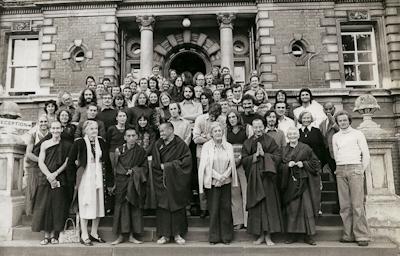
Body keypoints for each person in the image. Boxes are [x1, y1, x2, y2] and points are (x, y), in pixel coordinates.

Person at [67, 120, 113, 246]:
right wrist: (73, 181)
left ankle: (94, 232)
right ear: (85, 130)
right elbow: (70, 162)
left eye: (96, 128)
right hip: (85, 177)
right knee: (86, 204)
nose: (94, 131)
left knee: (98, 205)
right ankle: (84, 234)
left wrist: (110, 181)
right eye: (91, 129)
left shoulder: (102, 142)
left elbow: (107, 162)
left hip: (99, 176)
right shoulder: (79, 143)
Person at [241, 119, 283, 246]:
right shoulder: (247, 142)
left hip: (267, 178)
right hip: (254, 178)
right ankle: (260, 236)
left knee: (268, 206)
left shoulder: (270, 140)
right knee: (257, 206)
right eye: (255, 127)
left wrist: (265, 155)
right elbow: (243, 160)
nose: (258, 129)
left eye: (260, 127)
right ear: (252, 128)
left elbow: (278, 157)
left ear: (263, 127)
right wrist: (254, 156)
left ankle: (269, 236)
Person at [332, 110, 370, 246]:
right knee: (345, 205)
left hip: (356, 169)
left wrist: (360, 170)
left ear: (349, 120)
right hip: (341, 170)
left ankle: (361, 235)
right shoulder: (335, 137)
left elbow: (366, 154)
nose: (342, 122)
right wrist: (340, 167)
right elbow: (336, 155)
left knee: (357, 204)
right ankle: (348, 234)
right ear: (337, 123)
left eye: (344, 120)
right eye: (340, 120)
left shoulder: (358, 134)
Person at [32, 121, 72, 245]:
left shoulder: (67, 145)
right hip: (46, 179)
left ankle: (55, 235)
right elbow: (41, 162)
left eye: (58, 128)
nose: (55, 130)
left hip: (60, 177)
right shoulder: (44, 144)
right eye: (53, 128)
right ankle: (46, 235)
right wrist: (49, 175)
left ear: (61, 130)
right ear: (50, 130)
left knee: (58, 206)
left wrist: (55, 174)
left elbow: (67, 162)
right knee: (45, 206)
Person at [151, 122, 192, 245]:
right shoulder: (158, 144)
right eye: (160, 131)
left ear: (171, 130)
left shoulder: (181, 145)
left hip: (176, 180)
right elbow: (155, 164)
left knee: (177, 206)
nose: (161, 133)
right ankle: (165, 235)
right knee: (163, 207)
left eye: (163, 131)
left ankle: (177, 234)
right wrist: (162, 169)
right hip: (162, 180)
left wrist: (168, 167)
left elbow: (187, 162)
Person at [198, 122, 238, 244]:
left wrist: (224, 176)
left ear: (223, 132)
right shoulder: (206, 146)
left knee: (225, 209)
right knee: (214, 209)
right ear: (211, 134)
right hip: (212, 182)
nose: (218, 133)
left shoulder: (229, 146)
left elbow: (232, 164)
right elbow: (205, 165)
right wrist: (218, 177)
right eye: (215, 131)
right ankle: (214, 237)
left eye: (220, 131)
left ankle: (226, 237)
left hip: (226, 181)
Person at [281, 127, 321, 245]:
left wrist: (303, 164)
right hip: (290, 183)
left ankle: (308, 236)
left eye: (294, 134)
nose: (292, 136)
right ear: (287, 136)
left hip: (304, 183)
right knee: (292, 209)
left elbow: (316, 163)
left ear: (298, 135)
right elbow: (279, 165)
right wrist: (287, 165)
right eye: (290, 134)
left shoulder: (306, 148)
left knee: (306, 208)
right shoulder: (283, 149)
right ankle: (292, 235)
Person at [111, 128, 148, 245]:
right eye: (129, 136)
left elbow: (144, 167)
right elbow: (115, 166)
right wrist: (124, 172)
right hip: (122, 182)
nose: (131, 138)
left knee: (133, 207)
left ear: (137, 137)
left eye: (133, 135)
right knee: (121, 207)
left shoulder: (141, 151)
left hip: (135, 183)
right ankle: (121, 236)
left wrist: (134, 171)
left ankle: (132, 235)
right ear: (125, 137)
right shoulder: (119, 150)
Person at [193, 103, 225, 218]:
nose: (213, 118)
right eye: (211, 115)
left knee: (216, 181)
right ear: (208, 111)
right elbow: (196, 139)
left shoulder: (222, 120)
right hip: (202, 155)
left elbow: (223, 138)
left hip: (218, 155)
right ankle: (203, 208)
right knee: (202, 180)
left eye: (215, 116)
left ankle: (214, 208)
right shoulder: (200, 119)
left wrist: (206, 136)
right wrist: (211, 138)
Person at [226, 110, 253, 230]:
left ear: (238, 118)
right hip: (231, 164)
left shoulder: (246, 128)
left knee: (246, 191)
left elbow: (250, 144)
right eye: (230, 117)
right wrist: (231, 161)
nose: (232, 119)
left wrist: (241, 158)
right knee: (234, 193)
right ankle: (238, 221)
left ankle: (248, 221)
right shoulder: (226, 131)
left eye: (234, 117)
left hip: (244, 163)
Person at [24, 114, 50, 216]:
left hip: (47, 166)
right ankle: (29, 213)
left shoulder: (51, 134)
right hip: (34, 166)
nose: (43, 124)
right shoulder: (34, 135)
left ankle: (42, 213)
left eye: (45, 121)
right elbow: (29, 153)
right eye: (41, 122)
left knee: (44, 190)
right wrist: (40, 160)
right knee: (32, 189)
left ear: (48, 123)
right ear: (38, 123)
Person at [319, 102, 339, 175]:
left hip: (336, 151)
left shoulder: (340, 120)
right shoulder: (322, 123)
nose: (328, 111)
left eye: (330, 109)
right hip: (326, 152)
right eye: (326, 109)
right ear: (323, 110)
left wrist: (333, 122)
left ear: (334, 109)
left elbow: (341, 131)